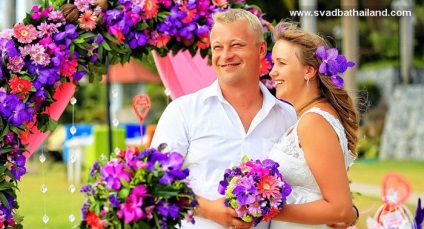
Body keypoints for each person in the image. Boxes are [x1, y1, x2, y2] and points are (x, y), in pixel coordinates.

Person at [150, 9, 297, 229]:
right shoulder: (182, 111)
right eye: (218, 47)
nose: (225, 55)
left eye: (236, 45)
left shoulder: (288, 117)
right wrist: (207, 209)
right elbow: (154, 184)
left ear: (261, 50)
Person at [267, 21, 360, 228]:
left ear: (309, 71)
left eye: (281, 63)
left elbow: (341, 210)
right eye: (273, 63)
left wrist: (265, 208)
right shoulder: (307, 117)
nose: (273, 72)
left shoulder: (313, 122)